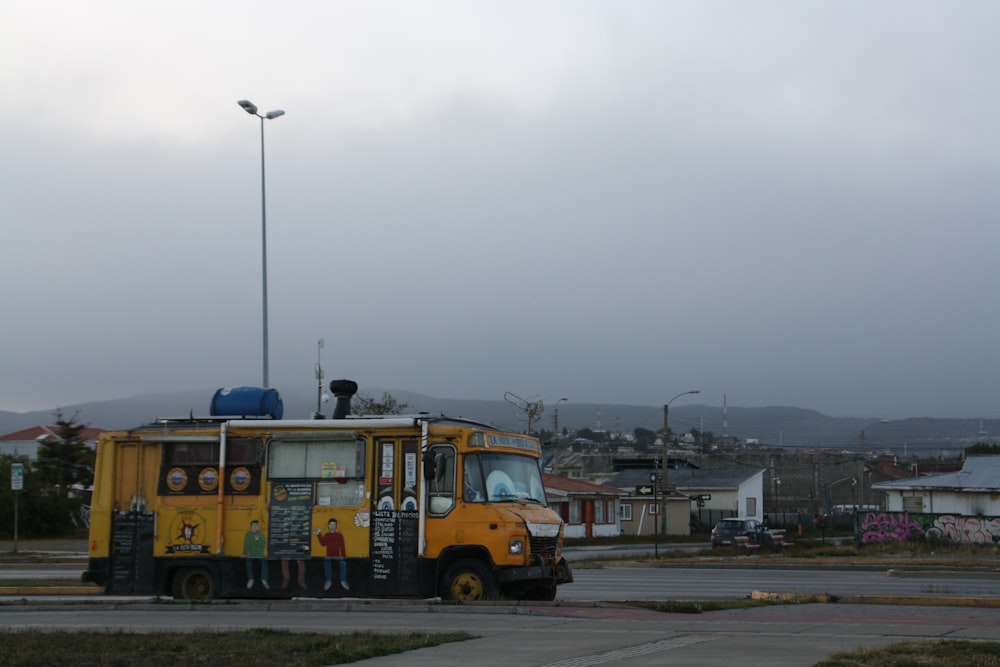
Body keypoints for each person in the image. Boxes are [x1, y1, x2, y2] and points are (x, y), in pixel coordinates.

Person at [314, 518, 349, 590]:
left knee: (343, 563)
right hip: (329, 556)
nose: (332, 526)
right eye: (331, 524)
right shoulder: (327, 535)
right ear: (328, 526)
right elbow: (323, 543)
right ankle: (328, 580)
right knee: (326, 562)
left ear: (336, 526)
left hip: (338, 556)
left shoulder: (339, 535)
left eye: (334, 524)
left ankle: (343, 580)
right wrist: (318, 535)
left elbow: (342, 546)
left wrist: (343, 556)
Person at [242, 520, 269, 589]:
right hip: (251, 554)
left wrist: (258, 540)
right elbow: (246, 545)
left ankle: (264, 579)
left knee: (265, 563)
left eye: (256, 525)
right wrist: (245, 553)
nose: (255, 527)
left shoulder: (260, 534)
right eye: (253, 525)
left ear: (258, 527)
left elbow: (265, 545)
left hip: (260, 554)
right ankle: (251, 579)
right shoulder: (248, 535)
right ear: (251, 526)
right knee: (248, 562)